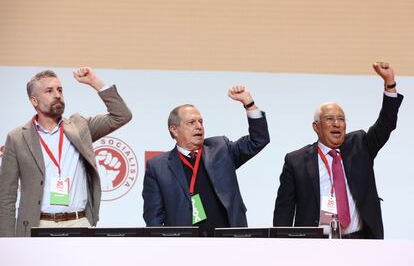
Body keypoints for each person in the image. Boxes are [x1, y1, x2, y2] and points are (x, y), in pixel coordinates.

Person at [273, 62, 403, 239]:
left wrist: (390, 83)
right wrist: (280, 247)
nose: (336, 123)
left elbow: (386, 123)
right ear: (316, 126)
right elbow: (284, 211)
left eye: (341, 119)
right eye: (329, 119)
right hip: (315, 243)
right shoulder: (295, 161)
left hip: (360, 240)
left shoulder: (360, 145)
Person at [0, 67, 132, 236]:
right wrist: (6, 242)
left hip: (79, 222)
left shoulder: (80, 126)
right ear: (34, 101)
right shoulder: (17, 137)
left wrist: (95, 82)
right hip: (37, 225)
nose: (57, 94)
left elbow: (122, 115)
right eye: (49, 91)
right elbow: (6, 197)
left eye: (60, 90)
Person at [143, 86, 270, 236]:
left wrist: (249, 104)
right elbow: (154, 217)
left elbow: (258, 140)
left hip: (228, 239)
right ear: (174, 130)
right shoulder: (158, 167)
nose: (198, 126)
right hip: (185, 246)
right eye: (191, 123)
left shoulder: (221, 148)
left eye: (200, 122)